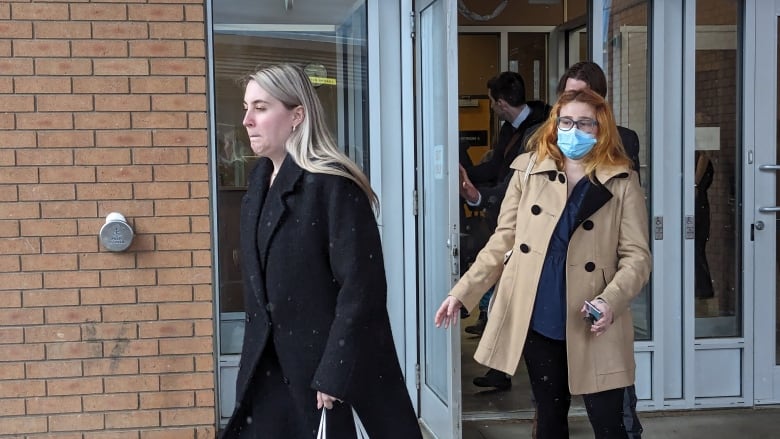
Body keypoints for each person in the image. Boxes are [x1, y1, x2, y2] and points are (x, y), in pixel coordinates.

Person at [436, 88, 652, 439]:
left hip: (594, 318)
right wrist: (464, 292)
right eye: (566, 121)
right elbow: (502, 241)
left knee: (609, 423)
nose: (573, 131)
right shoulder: (529, 171)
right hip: (543, 316)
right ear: (554, 125)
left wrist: (610, 302)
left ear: (601, 128)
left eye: (585, 123)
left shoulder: (622, 180)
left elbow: (637, 257)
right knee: (550, 419)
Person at [221, 64, 422, 439]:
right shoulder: (259, 181)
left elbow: (361, 291)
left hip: (320, 378)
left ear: (297, 115)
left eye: (261, 107)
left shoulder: (332, 185)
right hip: (267, 372)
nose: (246, 119)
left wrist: (334, 371)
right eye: (246, 107)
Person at [460, 72, 551, 391]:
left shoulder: (540, 132)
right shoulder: (510, 129)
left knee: (510, 302)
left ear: (499, 103)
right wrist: (466, 175)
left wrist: (480, 195)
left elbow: (514, 183)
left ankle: (507, 372)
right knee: (504, 301)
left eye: (492, 102)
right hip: (507, 223)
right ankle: (501, 371)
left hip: (527, 229)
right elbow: (498, 168)